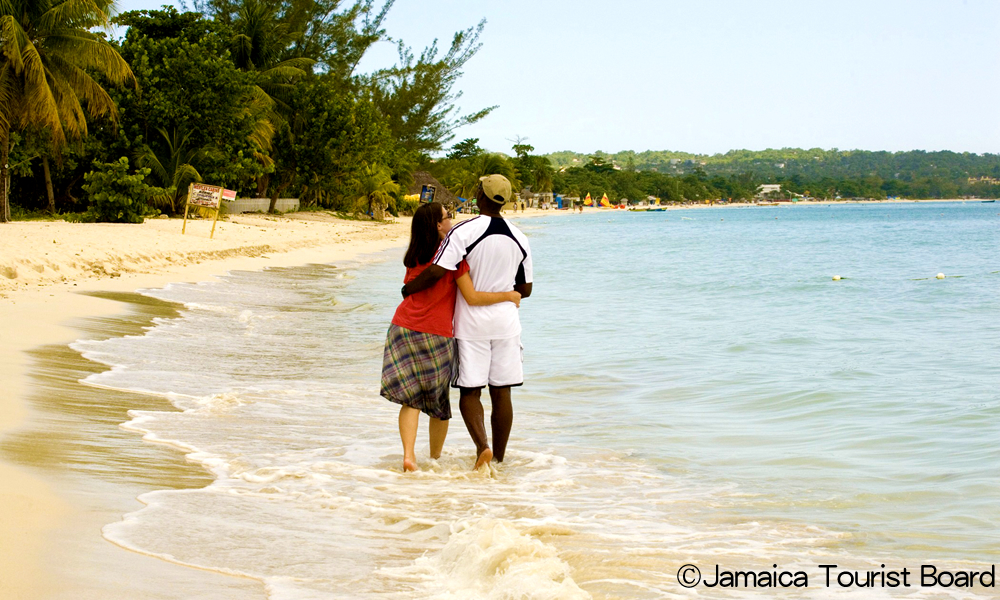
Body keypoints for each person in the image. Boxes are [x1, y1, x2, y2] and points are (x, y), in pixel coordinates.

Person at [402, 175, 533, 470]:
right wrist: (505, 289)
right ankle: (498, 460)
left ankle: (482, 447)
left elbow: (438, 270)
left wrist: (408, 289)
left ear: (481, 195)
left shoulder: (464, 230)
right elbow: (526, 289)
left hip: (471, 324)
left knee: (470, 391)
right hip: (506, 323)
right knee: (502, 391)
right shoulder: (520, 237)